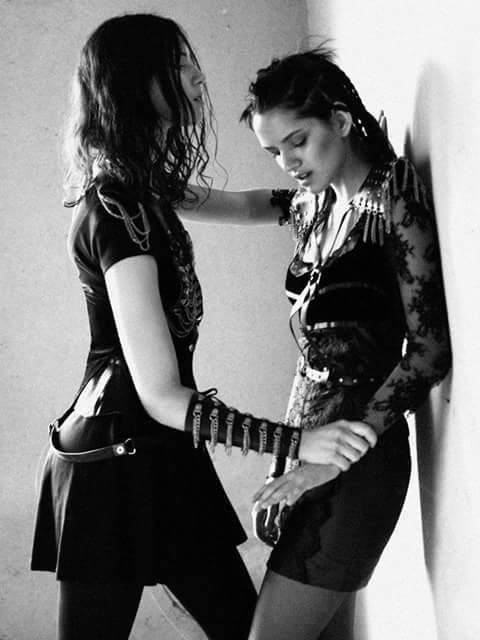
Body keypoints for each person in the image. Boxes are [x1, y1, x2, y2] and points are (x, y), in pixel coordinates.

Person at [30, 17, 378, 640]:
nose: (196, 75)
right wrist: (299, 443)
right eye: (178, 63)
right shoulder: (113, 213)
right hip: (110, 468)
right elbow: (161, 396)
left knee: (249, 631)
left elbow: (248, 205)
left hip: (166, 455)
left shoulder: (146, 187)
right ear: (136, 83)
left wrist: (343, 192)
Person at [179, 47, 451, 639]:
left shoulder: (392, 194)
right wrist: (133, 185)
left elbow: (430, 351)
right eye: (274, 152)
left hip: (359, 458)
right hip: (309, 449)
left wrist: (330, 459)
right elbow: (241, 204)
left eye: (297, 142)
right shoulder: (313, 205)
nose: (288, 163)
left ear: (342, 120)